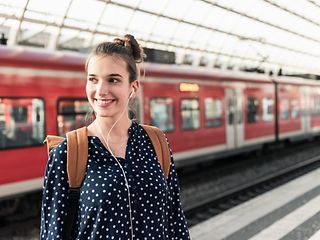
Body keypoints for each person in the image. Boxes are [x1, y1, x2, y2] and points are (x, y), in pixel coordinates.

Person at [40, 34, 190, 239]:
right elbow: (53, 233)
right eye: (93, 79)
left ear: (133, 87)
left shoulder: (156, 143)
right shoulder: (67, 153)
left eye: (113, 80)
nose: (101, 90)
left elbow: (175, 223)